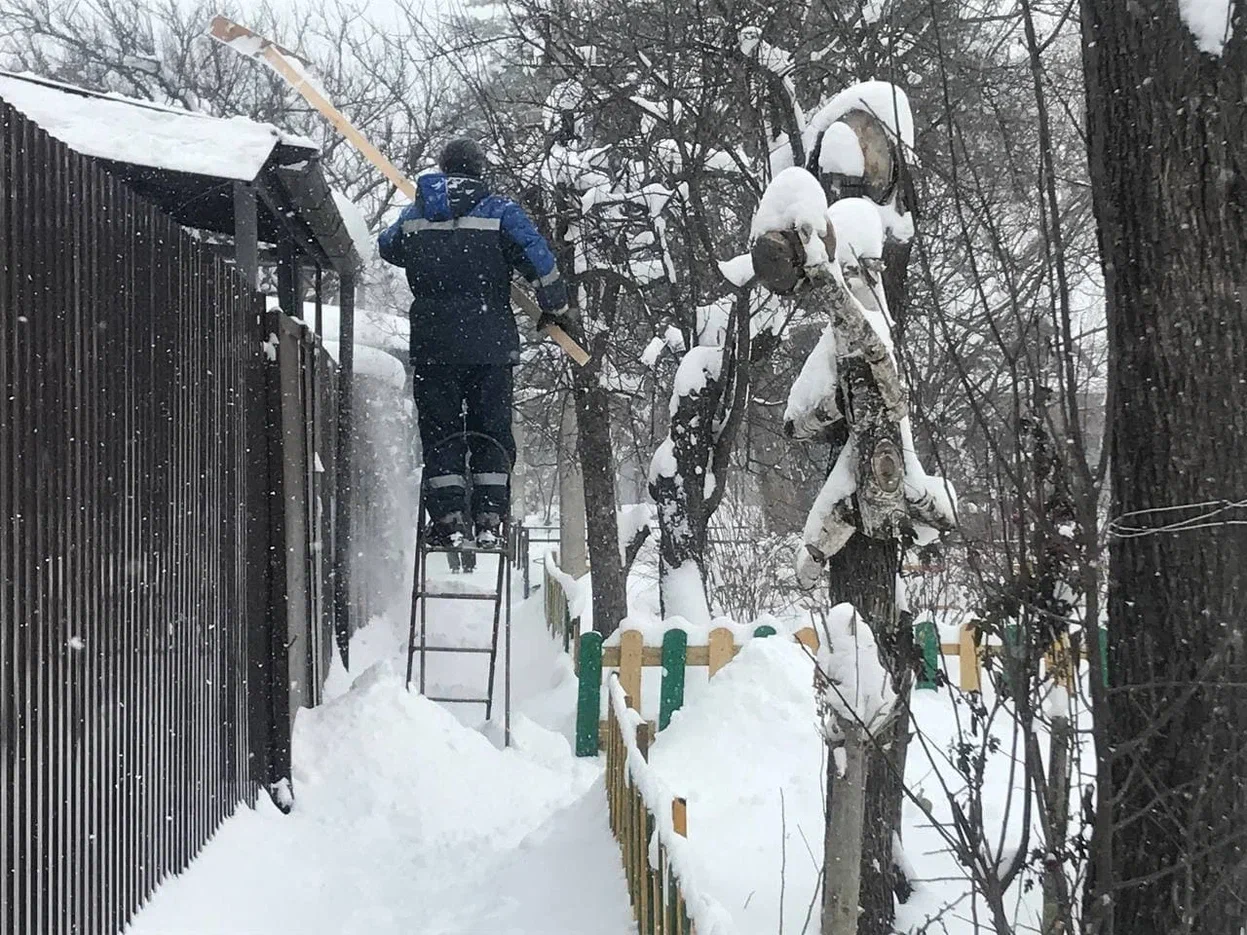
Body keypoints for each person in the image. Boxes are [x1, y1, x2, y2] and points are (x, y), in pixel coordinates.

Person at [380, 138, 570, 548]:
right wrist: (555, 305)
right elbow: (538, 259)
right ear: (479, 170)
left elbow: (388, 247)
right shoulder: (500, 212)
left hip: (434, 345)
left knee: (440, 431)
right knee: (492, 429)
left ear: (444, 168)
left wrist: (431, 242)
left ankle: (447, 521)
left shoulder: (416, 213)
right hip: (490, 344)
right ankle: (489, 520)